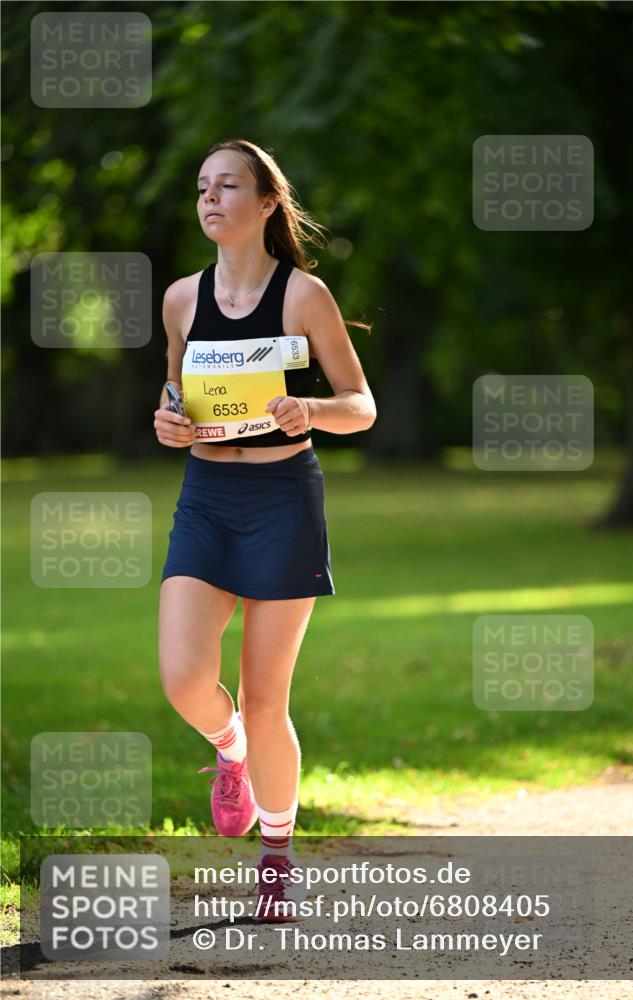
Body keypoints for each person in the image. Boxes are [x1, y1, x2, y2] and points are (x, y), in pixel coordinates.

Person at [154, 138, 376, 921]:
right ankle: (230, 752)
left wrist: (308, 408)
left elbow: (360, 405)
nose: (210, 199)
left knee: (264, 696)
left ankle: (277, 859)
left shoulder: (303, 296)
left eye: (227, 186)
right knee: (184, 680)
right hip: (206, 499)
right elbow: (175, 397)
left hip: (282, 499)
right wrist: (168, 422)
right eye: (201, 188)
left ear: (266, 202)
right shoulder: (181, 299)